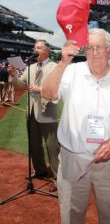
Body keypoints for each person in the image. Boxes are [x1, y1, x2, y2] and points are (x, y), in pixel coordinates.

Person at [42, 28, 110, 223]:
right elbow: (48, 93)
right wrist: (63, 62)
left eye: (99, 48)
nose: (93, 53)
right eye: (89, 48)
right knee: (71, 215)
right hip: (73, 159)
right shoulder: (71, 71)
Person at [7, 39, 59, 192]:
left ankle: (57, 178)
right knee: (34, 145)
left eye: (39, 47)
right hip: (31, 112)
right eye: (35, 47)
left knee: (52, 147)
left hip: (47, 112)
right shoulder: (30, 67)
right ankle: (40, 170)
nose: (35, 49)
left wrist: (40, 89)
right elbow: (20, 86)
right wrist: (13, 75)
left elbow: (57, 88)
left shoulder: (55, 67)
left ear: (47, 50)